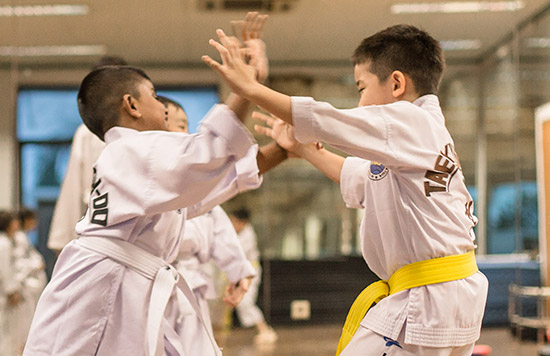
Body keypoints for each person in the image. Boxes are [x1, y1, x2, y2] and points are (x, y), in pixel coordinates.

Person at [203, 24, 489, 355]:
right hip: (441, 295)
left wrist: (250, 89)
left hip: (428, 299)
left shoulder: (411, 121)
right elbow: (361, 178)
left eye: (361, 88)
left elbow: (330, 121)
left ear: (396, 83)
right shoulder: (417, 137)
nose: (361, 101)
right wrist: (305, 148)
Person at [23, 13, 283, 356]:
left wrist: (282, 150)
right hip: (104, 286)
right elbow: (207, 153)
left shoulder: (134, 160)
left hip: (117, 283)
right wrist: (245, 89)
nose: (162, 105)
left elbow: (214, 187)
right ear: (131, 105)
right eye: (155, 96)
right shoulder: (132, 150)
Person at [158, 95, 257, 354]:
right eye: (178, 125)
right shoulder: (149, 172)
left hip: (191, 282)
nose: (185, 132)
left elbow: (218, 226)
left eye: (186, 125)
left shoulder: (195, 182)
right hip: (151, 284)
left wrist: (238, 271)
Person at [47, 56, 128, 254]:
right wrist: (63, 240)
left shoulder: (141, 131)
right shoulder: (86, 133)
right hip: (98, 228)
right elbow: (73, 186)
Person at [229, 207, 278, 344]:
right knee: (241, 302)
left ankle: (264, 330)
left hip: (250, 273)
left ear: (242, 222)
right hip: (242, 272)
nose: (232, 225)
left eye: (234, 221)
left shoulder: (247, 235)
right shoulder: (238, 234)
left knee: (245, 302)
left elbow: (236, 254)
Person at [13, 208, 47, 353]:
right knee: (23, 332)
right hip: (25, 291)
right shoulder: (19, 238)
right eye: (33, 220)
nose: (35, 224)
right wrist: (36, 265)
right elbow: (19, 263)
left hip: (30, 291)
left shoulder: (23, 237)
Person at [0, 210, 24, 356]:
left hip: (4, 292)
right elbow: (5, 270)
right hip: (3, 294)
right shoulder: (3, 244)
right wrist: (11, 291)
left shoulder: (7, 242)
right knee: (5, 330)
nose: (17, 224)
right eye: (14, 221)